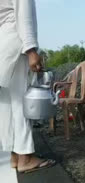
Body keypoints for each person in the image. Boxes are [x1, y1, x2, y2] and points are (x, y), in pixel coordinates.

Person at [0, 0, 55, 173]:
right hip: (16, 42)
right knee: (21, 102)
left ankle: (15, 155)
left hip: (2, 44)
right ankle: (26, 157)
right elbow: (24, 14)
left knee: (8, 103)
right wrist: (31, 50)